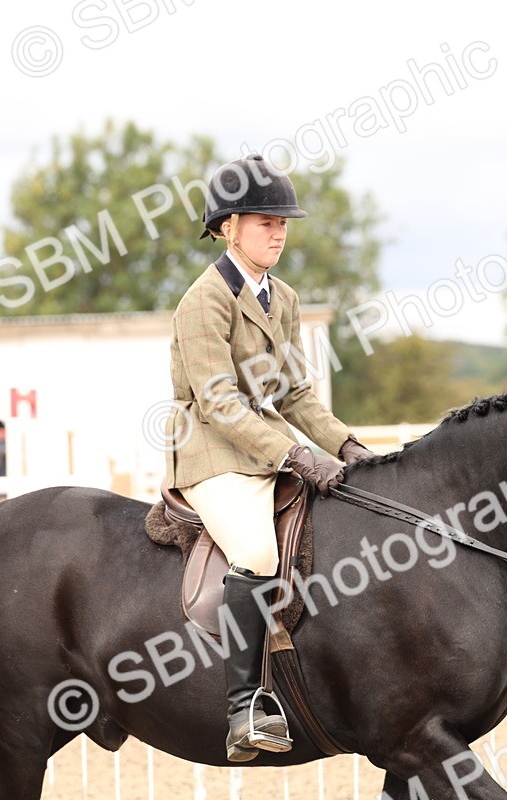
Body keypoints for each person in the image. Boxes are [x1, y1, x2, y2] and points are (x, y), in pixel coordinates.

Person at [165, 154, 375, 762]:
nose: (279, 233)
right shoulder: (203, 301)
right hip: (211, 452)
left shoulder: (281, 297)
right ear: (228, 227)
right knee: (256, 552)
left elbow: (296, 393)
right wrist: (294, 455)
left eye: (283, 223)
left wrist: (346, 446)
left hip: (267, 448)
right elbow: (220, 403)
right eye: (265, 222)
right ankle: (244, 708)